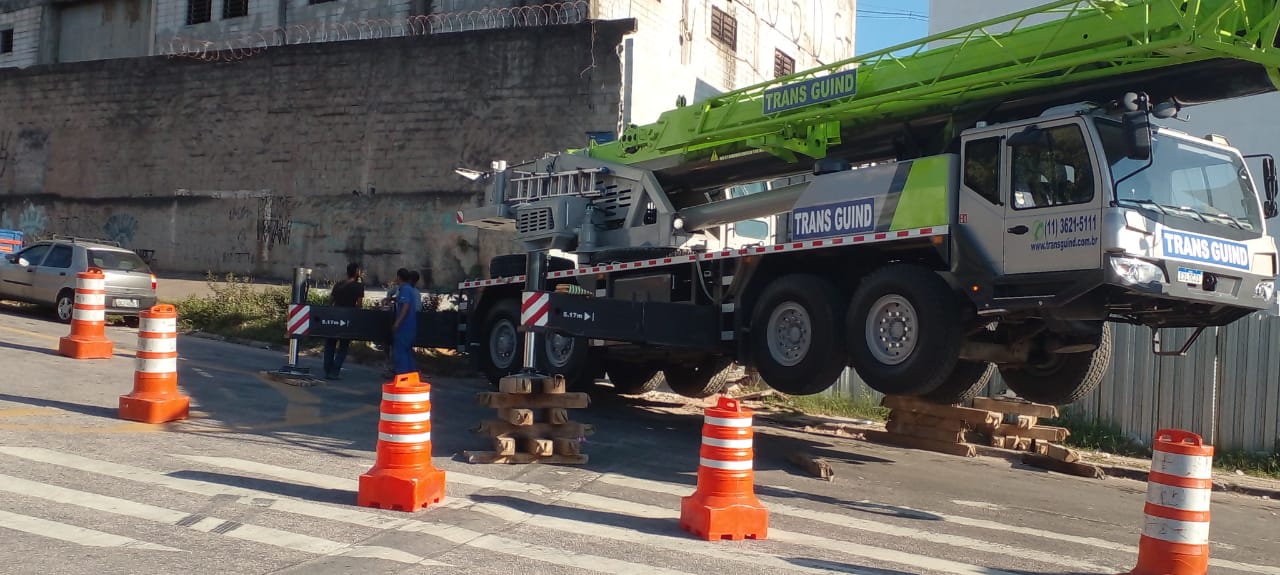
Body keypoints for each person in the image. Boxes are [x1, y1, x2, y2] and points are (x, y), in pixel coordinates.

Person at [323, 262, 365, 380]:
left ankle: (327, 370)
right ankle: (335, 371)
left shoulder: (339, 284)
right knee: (343, 346)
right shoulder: (359, 287)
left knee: (330, 344)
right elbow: (359, 305)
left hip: (334, 316)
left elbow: (330, 301)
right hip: (348, 318)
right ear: (357, 272)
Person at [390, 267, 421, 376]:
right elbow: (402, 300)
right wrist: (391, 299)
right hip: (411, 327)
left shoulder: (404, 289)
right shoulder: (410, 289)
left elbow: (405, 306)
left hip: (404, 327)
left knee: (400, 353)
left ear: (399, 277)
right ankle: (412, 376)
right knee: (407, 353)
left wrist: (397, 323)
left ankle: (402, 376)